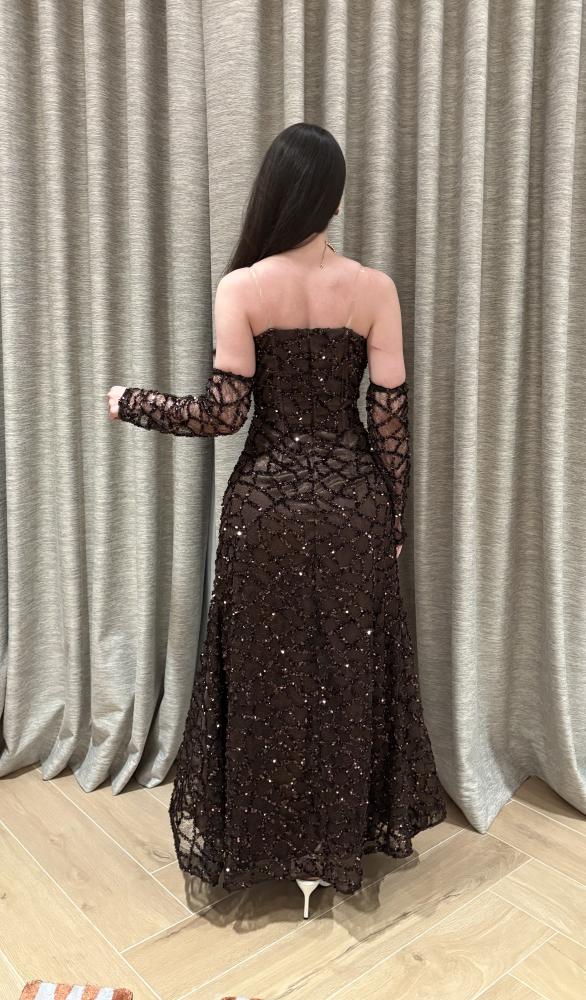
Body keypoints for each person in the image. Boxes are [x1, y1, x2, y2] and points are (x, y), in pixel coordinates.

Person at [106, 122, 447, 919]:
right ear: (333, 198)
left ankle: (267, 841)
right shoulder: (375, 289)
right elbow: (390, 424)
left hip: (266, 509)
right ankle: (336, 840)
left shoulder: (242, 289)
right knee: (345, 676)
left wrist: (133, 403)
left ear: (272, 193)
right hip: (354, 506)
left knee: (266, 678)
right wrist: (392, 519)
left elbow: (223, 417)